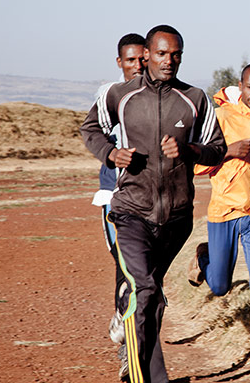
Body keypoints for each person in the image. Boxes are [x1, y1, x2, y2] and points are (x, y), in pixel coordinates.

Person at [80, 25, 227, 383]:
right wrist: (112, 153)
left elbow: (217, 147)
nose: (169, 61)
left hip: (176, 219)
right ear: (146, 54)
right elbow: (91, 128)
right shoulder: (120, 95)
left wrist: (190, 150)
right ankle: (139, 374)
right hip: (130, 211)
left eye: (176, 54)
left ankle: (145, 367)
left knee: (151, 297)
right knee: (142, 290)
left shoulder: (195, 98)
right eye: (162, 54)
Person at [188, 63, 250, 358]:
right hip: (225, 210)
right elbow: (198, 165)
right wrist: (229, 151)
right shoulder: (221, 118)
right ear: (241, 86)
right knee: (220, 286)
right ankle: (204, 258)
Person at [90, 32, 145, 381]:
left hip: (154, 201)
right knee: (129, 272)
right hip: (116, 196)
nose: (137, 66)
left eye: (142, 59)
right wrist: (111, 154)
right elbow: (92, 133)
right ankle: (130, 356)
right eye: (130, 60)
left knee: (145, 277)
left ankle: (127, 322)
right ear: (119, 63)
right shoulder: (109, 97)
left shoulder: (164, 97)